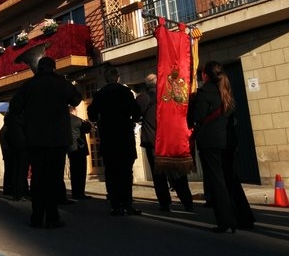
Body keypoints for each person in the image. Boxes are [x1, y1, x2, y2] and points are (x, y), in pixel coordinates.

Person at [8, 56, 82, 229]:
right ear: (54, 68)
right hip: (57, 140)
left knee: (38, 179)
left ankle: (36, 217)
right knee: (54, 179)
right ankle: (52, 218)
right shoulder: (60, 82)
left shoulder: (28, 85)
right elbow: (77, 100)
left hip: (35, 140)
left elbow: (15, 108)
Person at [188, 61, 239, 233]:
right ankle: (242, 216)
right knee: (230, 179)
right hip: (228, 140)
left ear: (205, 75)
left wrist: (192, 102)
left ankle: (225, 221)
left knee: (217, 181)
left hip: (210, 141)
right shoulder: (226, 89)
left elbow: (197, 117)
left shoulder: (205, 92)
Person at [88, 66, 142, 216]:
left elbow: (91, 114)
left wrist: (100, 119)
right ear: (118, 77)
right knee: (126, 172)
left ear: (106, 79)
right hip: (124, 136)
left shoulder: (99, 94)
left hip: (108, 137)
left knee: (111, 172)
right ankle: (128, 204)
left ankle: (115, 205)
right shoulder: (125, 92)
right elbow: (136, 113)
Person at [136, 74, 194, 212]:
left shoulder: (142, 99)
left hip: (153, 141)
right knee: (177, 172)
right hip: (170, 139)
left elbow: (136, 116)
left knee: (158, 175)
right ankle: (187, 201)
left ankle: (165, 203)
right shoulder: (170, 94)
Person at [68, 106, 93, 200]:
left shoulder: (65, 120)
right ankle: (80, 193)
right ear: (73, 111)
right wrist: (88, 123)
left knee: (74, 172)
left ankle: (75, 192)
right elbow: (86, 129)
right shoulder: (75, 119)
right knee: (81, 172)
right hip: (79, 149)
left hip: (71, 149)